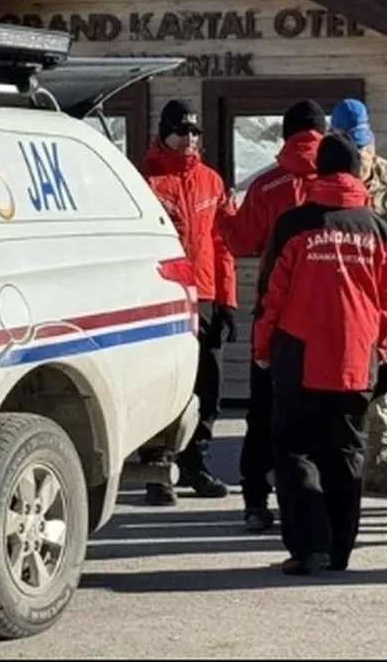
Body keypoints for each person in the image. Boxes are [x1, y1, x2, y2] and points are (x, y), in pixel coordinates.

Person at [253, 132, 387, 575]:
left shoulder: (295, 225)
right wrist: (384, 351)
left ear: (317, 172)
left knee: (295, 450)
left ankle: (309, 546)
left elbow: (270, 297)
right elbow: (386, 301)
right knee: (346, 454)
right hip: (357, 356)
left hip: (299, 352)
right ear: (357, 172)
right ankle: (339, 551)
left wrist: (262, 350)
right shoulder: (378, 228)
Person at [221, 99, 327, 533]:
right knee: (320, 408)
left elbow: (240, 240)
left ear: (285, 136)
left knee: (264, 408)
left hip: (277, 310)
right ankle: (310, 499)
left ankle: (255, 499)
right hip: (326, 309)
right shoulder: (342, 179)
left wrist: (226, 213)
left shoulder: (266, 186)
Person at [138, 100, 237, 506]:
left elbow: (223, 242)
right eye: (181, 131)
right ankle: (158, 468)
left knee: (206, 386)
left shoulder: (211, 181)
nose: (189, 139)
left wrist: (227, 300)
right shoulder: (145, 180)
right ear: (164, 132)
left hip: (206, 295)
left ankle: (196, 460)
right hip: (162, 295)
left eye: (194, 132)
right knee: (162, 382)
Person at [330, 98, 387, 495]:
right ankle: (344, 463)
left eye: (366, 147)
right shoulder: (325, 177)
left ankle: (379, 468)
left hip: (382, 302)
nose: (364, 156)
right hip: (339, 302)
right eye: (356, 147)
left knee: (382, 385)